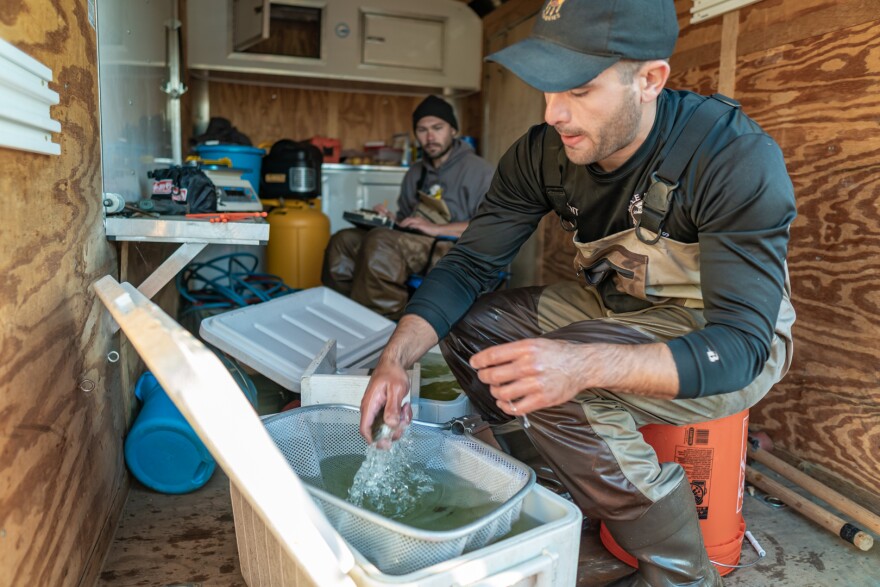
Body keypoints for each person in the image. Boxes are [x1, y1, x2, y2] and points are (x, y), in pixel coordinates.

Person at [358, 1, 796, 585]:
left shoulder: (732, 157)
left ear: (649, 80)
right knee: (474, 330)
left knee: (560, 383)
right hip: (617, 304)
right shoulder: (543, 153)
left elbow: (741, 346)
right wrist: (394, 361)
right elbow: (467, 267)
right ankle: (562, 505)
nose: (555, 113)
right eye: (546, 88)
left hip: (722, 335)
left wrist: (579, 363)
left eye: (580, 90)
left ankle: (682, 575)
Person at [321, 95, 495, 319]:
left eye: (437, 128)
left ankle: (386, 327)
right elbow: (406, 219)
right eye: (422, 130)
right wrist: (390, 220)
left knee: (381, 242)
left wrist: (436, 229)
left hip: (455, 247)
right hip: (414, 241)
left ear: (453, 130)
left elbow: (490, 228)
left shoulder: (479, 171)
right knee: (343, 240)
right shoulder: (415, 172)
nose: (430, 137)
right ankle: (347, 317)